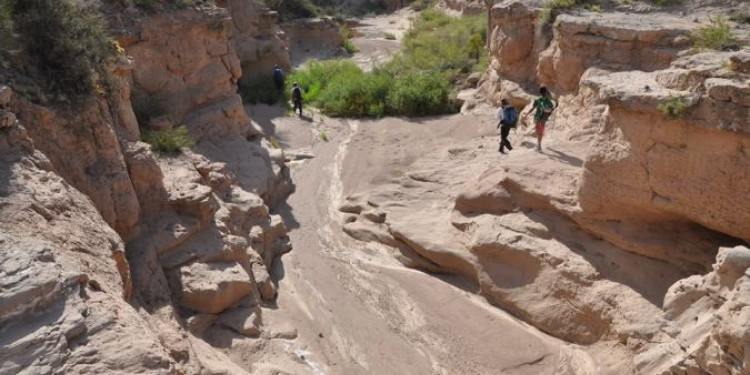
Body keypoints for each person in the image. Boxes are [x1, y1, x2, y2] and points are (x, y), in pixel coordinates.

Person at [522, 86, 556, 151]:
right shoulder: (548, 100)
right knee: (541, 131)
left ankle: (539, 145)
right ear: (546, 92)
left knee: (538, 131)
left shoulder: (537, 100)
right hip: (544, 117)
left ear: (540, 93)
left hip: (537, 117)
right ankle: (539, 143)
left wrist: (527, 114)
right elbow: (552, 108)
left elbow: (532, 108)